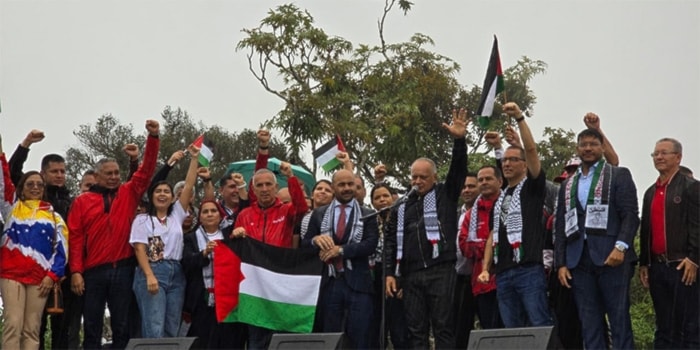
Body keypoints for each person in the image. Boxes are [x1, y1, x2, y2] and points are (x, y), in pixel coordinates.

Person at [68, 119, 160, 350]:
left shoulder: (128, 192)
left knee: (122, 327)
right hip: (94, 272)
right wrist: (77, 271)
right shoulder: (82, 201)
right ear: (96, 177)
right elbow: (76, 239)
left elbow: (147, 170)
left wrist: (153, 137)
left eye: (117, 173)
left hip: (123, 268)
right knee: (91, 327)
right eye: (108, 173)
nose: (113, 177)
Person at [384, 108, 468, 349]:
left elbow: (459, 171)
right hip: (410, 275)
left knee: (443, 327)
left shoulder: (445, 194)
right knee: (415, 331)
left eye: (423, 177)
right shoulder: (403, 205)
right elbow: (390, 240)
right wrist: (391, 273)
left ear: (434, 177)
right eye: (414, 177)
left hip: (440, 270)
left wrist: (459, 141)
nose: (418, 182)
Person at [555, 128, 639, 349]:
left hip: (611, 256)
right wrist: (561, 262)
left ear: (602, 148)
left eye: (593, 144)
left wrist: (621, 246)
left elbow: (630, 214)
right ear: (577, 148)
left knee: (619, 319)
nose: (588, 148)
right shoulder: (567, 184)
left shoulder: (617, 175)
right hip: (578, 260)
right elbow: (561, 225)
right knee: (589, 323)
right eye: (584, 144)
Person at [477, 102, 552, 328]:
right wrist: (485, 269)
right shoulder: (500, 197)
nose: (507, 163)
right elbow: (492, 235)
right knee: (512, 331)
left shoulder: (532, 188)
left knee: (539, 326)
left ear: (524, 165)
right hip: (503, 272)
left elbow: (530, 150)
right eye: (504, 161)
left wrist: (519, 118)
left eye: (513, 160)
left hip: (529, 270)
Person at [8, 129, 78, 350]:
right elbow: (12, 172)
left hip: (58, 274)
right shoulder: (23, 201)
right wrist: (26, 144)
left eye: (63, 171)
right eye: (54, 171)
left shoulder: (69, 202)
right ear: (43, 173)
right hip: (25, 271)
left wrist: (65, 272)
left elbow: (69, 241)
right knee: (24, 325)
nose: (59, 175)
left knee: (59, 327)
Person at [231, 163, 308, 349]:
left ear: (275, 187)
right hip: (255, 287)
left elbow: (302, 208)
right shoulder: (244, 214)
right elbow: (234, 250)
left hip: (281, 284)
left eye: (268, 184)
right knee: (257, 339)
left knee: (280, 339)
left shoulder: (287, 210)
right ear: (253, 189)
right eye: (259, 185)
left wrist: (290, 177)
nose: (264, 189)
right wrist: (235, 235)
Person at [129, 144, 201, 338]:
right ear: (152, 196)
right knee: (155, 327)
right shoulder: (142, 219)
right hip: (152, 270)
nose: (162, 194)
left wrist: (194, 159)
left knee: (172, 327)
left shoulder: (177, 214)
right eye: (158, 191)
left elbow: (188, 185)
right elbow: (139, 249)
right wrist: (149, 275)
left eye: (166, 192)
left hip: (176, 272)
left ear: (172, 197)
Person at [302, 169, 379, 349]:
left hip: (359, 283)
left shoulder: (367, 213)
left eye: (350, 184)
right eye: (341, 185)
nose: (346, 188)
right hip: (330, 283)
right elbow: (305, 243)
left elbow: (370, 244)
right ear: (334, 187)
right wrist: (315, 240)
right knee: (330, 337)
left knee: (360, 336)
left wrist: (341, 250)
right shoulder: (319, 213)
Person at [639, 137, 699, 348]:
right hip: (658, 267)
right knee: (664, 327)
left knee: (690, 326)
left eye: (664, 153)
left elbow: (697, 226)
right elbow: (646, 230)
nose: (659, 157)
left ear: (678, 157)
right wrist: (644, 263)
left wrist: (694, 259)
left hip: (683, 266)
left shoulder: (691, 187)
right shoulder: (650, 193)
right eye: (655, 154)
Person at [0, 171, 68, 350]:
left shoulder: (55, 217)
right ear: (21, 189)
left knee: (32, 329)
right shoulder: (12, 208)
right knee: (13, 324)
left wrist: (52, 275)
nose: (35, 187)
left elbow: (62, 251)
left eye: (39, 184)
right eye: (30, 184)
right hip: (11, 274)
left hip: (40, 277)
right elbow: (3, 182)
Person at [182, 200, 244, 349]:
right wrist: (204, 253)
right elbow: (186, 262)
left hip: (228, 298)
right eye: (205, 211)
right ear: (200, 217)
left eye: (213, 211)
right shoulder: (190, 238)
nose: (210, 214)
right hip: (201, 298)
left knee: (227, 339)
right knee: (203, 340)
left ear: (220, 216)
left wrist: (240, 233)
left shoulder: (229, 235)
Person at [459, 165, 503, 330]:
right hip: (482, 283)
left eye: (488, 179)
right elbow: (464, 245)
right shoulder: (471, 214)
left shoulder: (509, 205)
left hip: (507, 278)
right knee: (491, 332)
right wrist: (487, 246)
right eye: (481, 180)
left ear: (499, 181)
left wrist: (483, 244)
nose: (484, 182)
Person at [368, 183, 409, 349]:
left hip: (398, 275)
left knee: (400, 330)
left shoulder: (402, 220)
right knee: (377, 328)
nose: (382, 200)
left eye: (385, 196)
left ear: (392, 198)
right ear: (372, 202)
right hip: (375, 278)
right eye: (377, 198)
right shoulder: (369, 222)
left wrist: (403, 281)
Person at [454, 173, 478, 348]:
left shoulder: (487, 210)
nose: (467, 190)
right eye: (464, 187)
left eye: (471, 186)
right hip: (459, 278)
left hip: (482, 276)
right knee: (460, 326)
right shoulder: (455, 214)